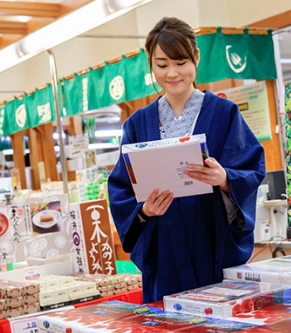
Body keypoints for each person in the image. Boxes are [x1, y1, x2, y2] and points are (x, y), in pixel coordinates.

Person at [107, 17, 266, 303]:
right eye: (162, 64)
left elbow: (252, 169)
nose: (172, 73)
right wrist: (144, 211)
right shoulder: (137, 124)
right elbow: (121, 188)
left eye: (181, 62)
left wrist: (226, 179)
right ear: (151, 64)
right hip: (164, 250)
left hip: (213, 248)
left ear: (196, 58)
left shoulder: (224, 113)